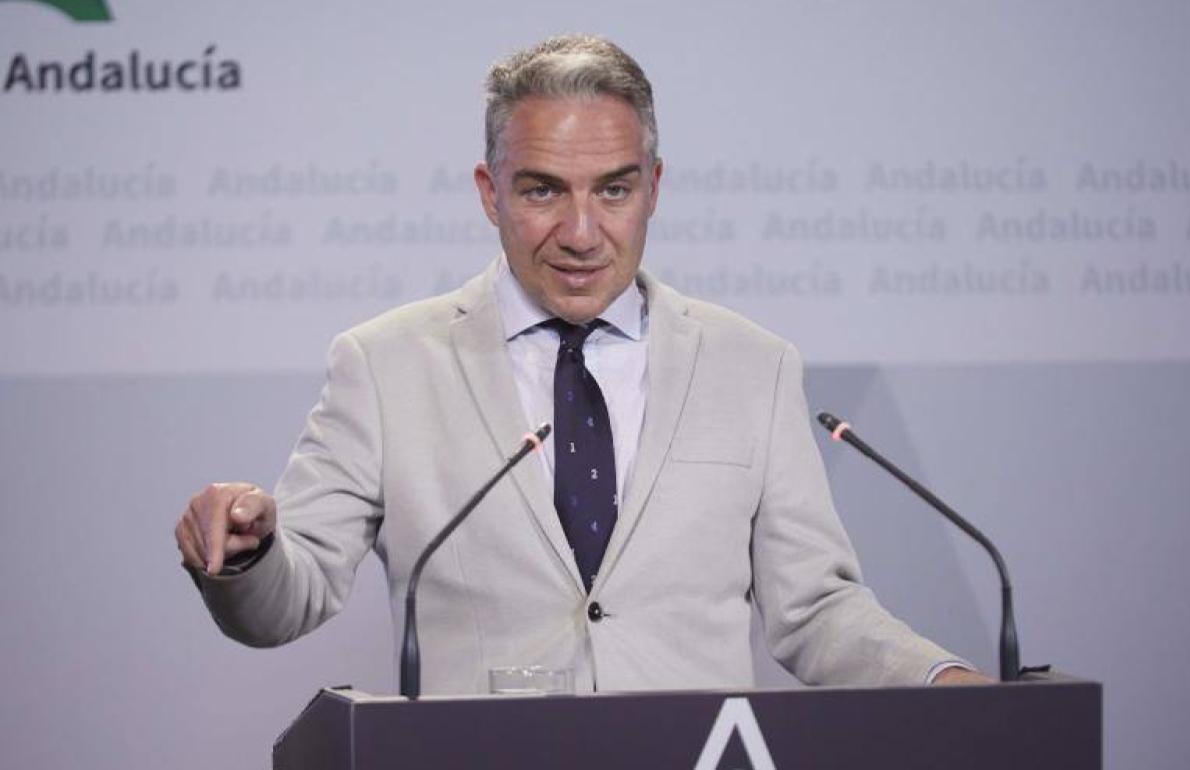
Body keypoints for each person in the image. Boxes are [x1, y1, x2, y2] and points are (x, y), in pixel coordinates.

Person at [175, 34, 986, 693]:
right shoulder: (386, 365)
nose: (581, 231)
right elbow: (287, 599)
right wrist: (248, 553)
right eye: (542, 192)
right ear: (490, 193)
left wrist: (937, 678)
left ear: (655, 188)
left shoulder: (753, 366)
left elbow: (815, 609)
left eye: (613, 190)